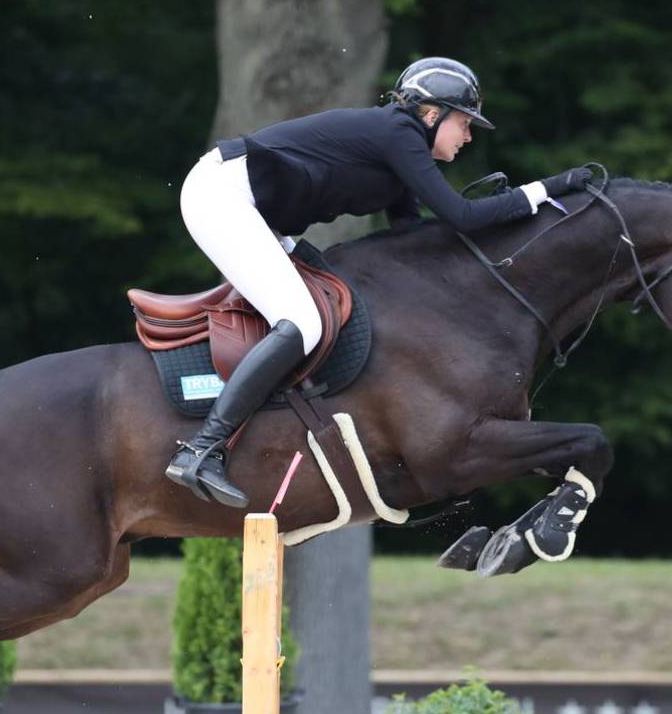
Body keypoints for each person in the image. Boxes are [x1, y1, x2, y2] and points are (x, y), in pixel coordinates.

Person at [166, 56, 595, 507]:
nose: (467, 136)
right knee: (303, 321)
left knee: (336, 304)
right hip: (222, 196)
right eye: (465, 123)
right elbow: (462, 216)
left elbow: (412, 238)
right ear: (432, 115)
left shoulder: (398, 155)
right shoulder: (399, 133)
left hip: (254, 210)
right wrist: (548, 189)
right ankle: (200, 450)